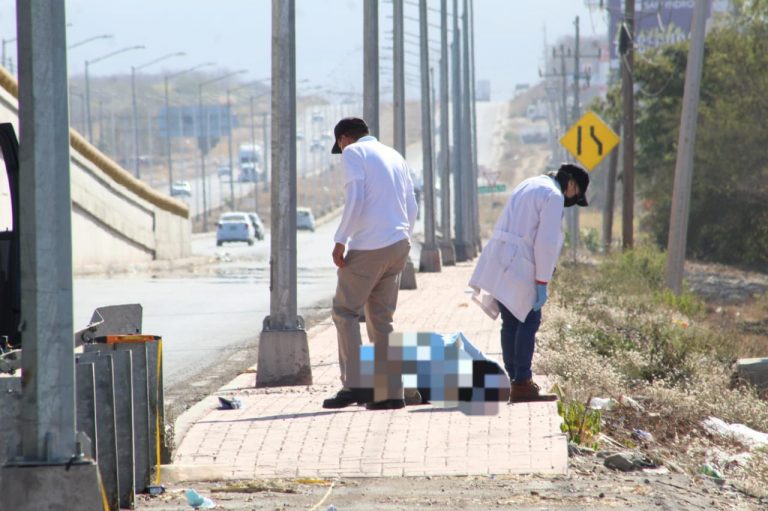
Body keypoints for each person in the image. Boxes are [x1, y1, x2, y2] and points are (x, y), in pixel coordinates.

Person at [468, 163, 589, 402]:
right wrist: (542, 281)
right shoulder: (553, 196)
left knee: (510, 320)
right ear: (572, 184)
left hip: (501, 258)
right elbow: (545, 243)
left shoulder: (529, 183)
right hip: (521, 264)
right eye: (576, 195)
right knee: (529, 319)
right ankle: (522, 382)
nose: (573, 199)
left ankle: (514, 378)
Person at [322, 117, 419, 411]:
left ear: (343, 140)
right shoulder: (395, 155)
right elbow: (411, 203)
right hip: (398, 244)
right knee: (381, 320)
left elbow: (355, 198)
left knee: (345, 312)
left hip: (369, 247)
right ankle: (390, 392)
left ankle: (355, 385)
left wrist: (341, 239)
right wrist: (401, 236)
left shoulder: (353, 153)